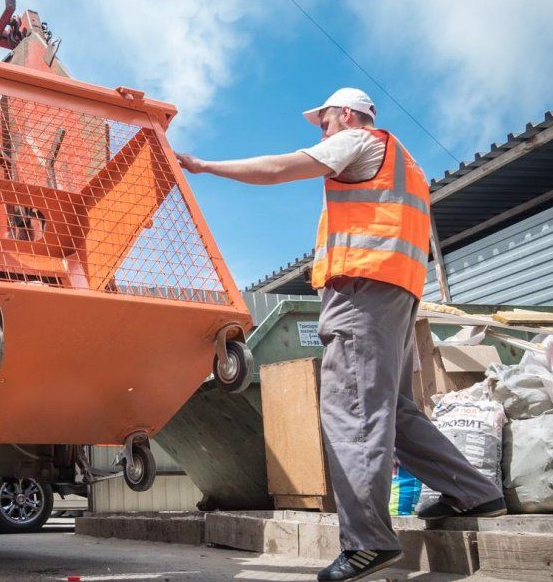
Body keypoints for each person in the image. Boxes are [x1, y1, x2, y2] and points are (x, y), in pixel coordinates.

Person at [177, 88, 505, 582]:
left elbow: (279, 168)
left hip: (362, 294)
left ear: (347, 115)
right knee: (391, 412)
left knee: (352, 412)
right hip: (395, 295)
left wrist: (204, 166)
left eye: (324, 122)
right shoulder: (402, 162)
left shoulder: (357, 140)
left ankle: (369, 542)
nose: (321, 132)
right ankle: (477, 492)